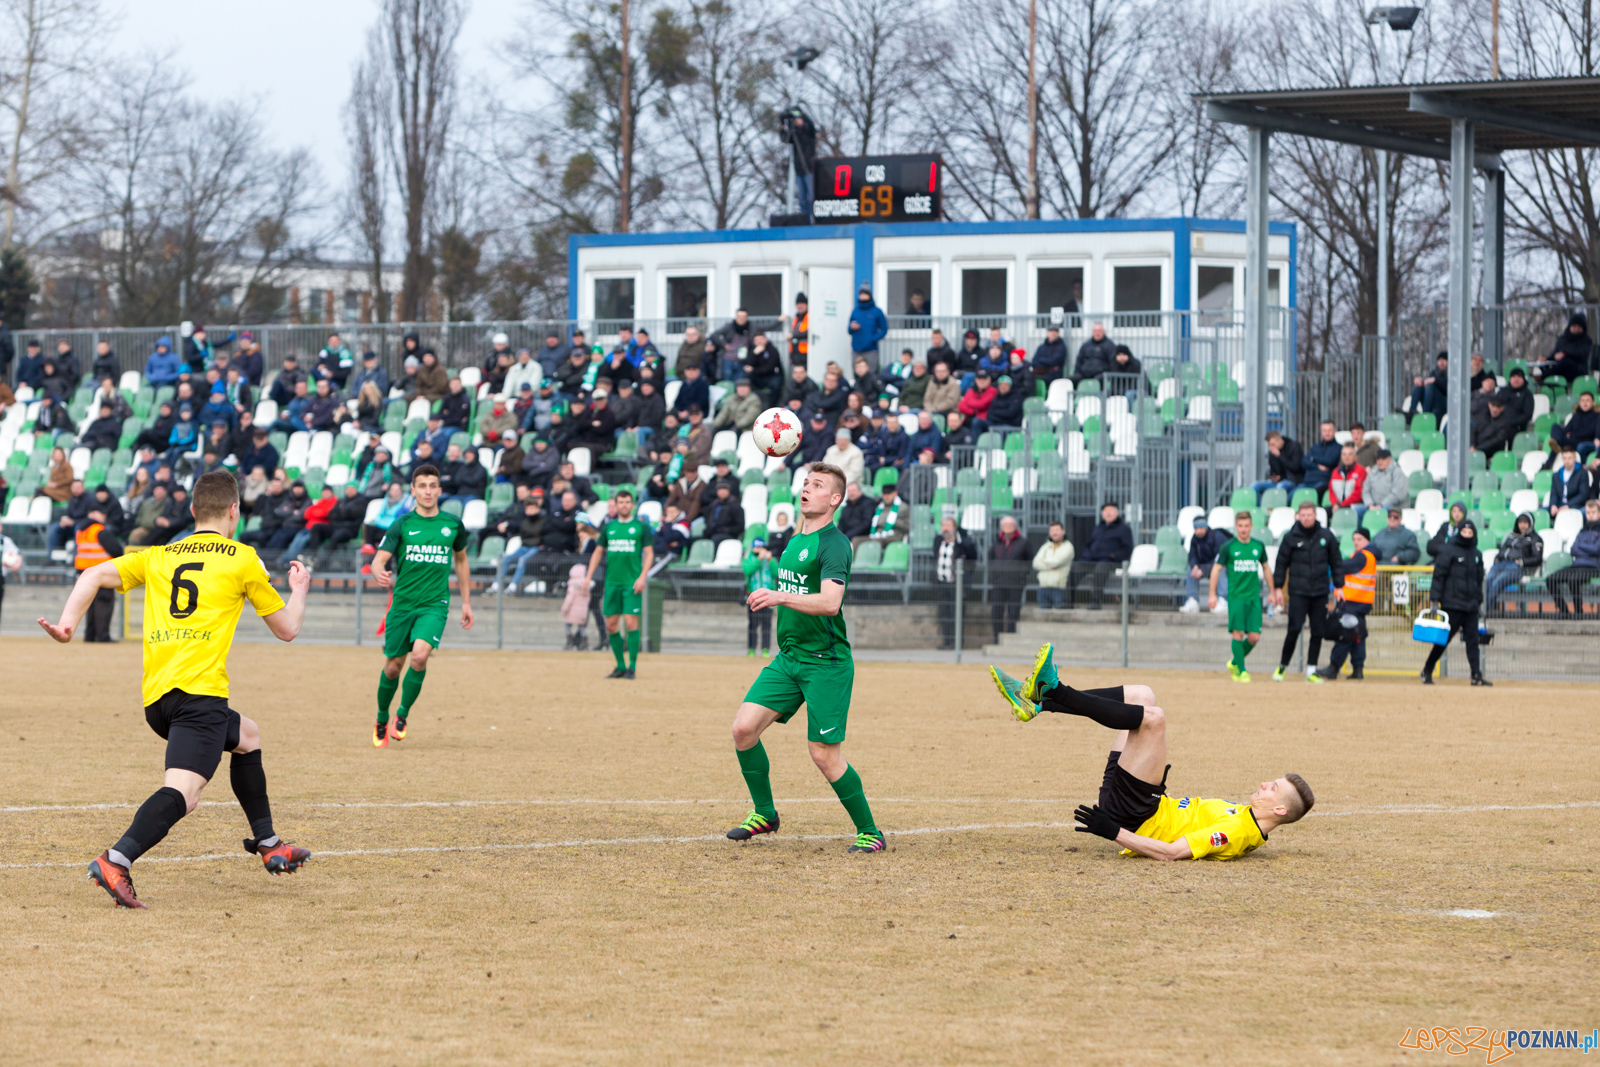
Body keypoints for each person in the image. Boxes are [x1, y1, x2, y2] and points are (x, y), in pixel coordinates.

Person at [37, 471, 312, 908]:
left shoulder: (159, 554)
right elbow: (288, 629)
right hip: (198, 698)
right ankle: (115, 859)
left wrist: (68, 625)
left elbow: (90, 575)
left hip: (158, 698)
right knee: (185, 793)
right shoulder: (242, 558)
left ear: (191, 511)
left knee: (248, 736)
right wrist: (299, 589)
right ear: (234, 511)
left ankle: (269, 843)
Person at [988, 657, 1314, 861]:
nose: (1263, 783)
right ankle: (1040, 702)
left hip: (1136, 815)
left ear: (1280, 809)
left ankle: (1056, 692)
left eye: (1272, 787)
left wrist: (1112, 830)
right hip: (1139, 802)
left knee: (1154, 718)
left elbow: (1171, 853)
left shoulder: (1237, 833)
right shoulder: (1246, 817)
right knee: (1143, 695)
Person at [726, 464, 885, 853]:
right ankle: (765, 814)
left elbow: (831, 603)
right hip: (789, 658)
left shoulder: (835, 543)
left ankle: (871, 832)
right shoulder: (794, 540)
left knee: (824, 755)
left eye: (817, 485)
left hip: (824, 663)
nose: (806, 489)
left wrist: (779, 596)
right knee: (743, 731)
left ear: (834, 499)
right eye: (805, 483)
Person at [369, 465, 473, 746]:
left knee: (419, 657)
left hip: (434, 605)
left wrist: (466, 602)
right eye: (422, 486)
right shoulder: (402, 524)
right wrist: (378, 570)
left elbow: (461, 561)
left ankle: (402, 714)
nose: (428, 491)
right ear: (413, 491)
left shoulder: (453, 524)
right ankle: (382, 716)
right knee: (393, 667)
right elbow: (379, 558)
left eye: (432, 485)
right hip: (402, 605)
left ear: (439, 490)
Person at [1270, 500, 1344, 683]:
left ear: (1315, 515)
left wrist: (1339, 586)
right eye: (1303, 515)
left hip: (1319, 592)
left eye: (1309, 515)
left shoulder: (1327, 536)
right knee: (1294, 629)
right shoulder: (1290, 537)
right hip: (1298, 591)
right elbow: (1281, 564)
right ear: (1298, 516)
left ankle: (1311, 670)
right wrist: (1277, 588)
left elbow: (1336, 562)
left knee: (1317, 632)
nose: (1306, 518)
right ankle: (1282, 666)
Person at [584, 488, 653, 679]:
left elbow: (649, 553)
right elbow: (598, 552)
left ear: (632, 505)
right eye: (620, 502)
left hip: (631, 583)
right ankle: (620, 666)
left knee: (631, 623)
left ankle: (632, 667)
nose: (623, 505)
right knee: (611, 625)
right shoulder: (609, 527)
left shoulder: (641, 527)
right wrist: (588, 576)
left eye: (627, 502)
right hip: (612, 583)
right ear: (615, 505)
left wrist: (642, 577)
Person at [1420, 519, 1490, 684]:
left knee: (1473, 642)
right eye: (1464, 532)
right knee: (1443, 640)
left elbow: (1478, 581)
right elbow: (1439, 576)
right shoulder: (1448, 551)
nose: (1466, 535)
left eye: (1470, 533)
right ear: (1459, 533)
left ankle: (1476, 675)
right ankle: (1427, 669)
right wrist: (1435, 600)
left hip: (1471, 606)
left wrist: (1479, 602)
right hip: (1452, 604)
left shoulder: (1477, 555)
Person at [1210, 510, 1273, 682]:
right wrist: (1212, 594)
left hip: (1253, 597)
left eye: (1246, 526)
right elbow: (1216, 569)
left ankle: (1235, 662)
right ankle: (1242, 671)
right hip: (1236, 597)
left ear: (1251, 526)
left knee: (1254, 637)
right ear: (1236, 526)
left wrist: (1273, 592)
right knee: (1238, 633)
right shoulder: (1228, 547)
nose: (1243, 529)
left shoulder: (1258, 546)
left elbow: (1266, 568)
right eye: (1240, 526)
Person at [1315, 528, 1376, 681]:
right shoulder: (1364, 555)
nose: (1356, 542)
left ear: (1367, 541)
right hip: (1360, 602)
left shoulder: (1363, 556)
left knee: (1344, 634)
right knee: (1357, 636)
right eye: (1354, 539)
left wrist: (1329, 559)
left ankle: (1333, 667)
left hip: (1354, 602)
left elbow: (1341, 566)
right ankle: (1358, 668)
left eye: (1360, 539)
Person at [1070, 502, 1133, 610]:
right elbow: (1089, 545)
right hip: (1093, 559)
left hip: (1111, 561)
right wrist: (1087, 555)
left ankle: (1096, 602)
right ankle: (1067, 601)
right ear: (1102, 513)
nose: (1108, 513)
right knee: (1076, 567)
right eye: (1106, 510)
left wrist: (1113, 556)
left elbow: (1127, 549)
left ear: (1117, 512)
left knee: (1101, 568)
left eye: (1111, 510)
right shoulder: (1098, 528)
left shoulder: (1124, 529)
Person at [1547, 497, 1600, 618]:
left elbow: (1597, 550)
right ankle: (1564, 611)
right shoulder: (1582, 530)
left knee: (1573, 580)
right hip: (1577, 565)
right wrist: (1587, 549)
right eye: (1588, 512)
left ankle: (1578, 613)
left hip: (1593, 567)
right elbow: (1572, 549)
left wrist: (1581, 547)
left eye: (1593, 512)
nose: (1590, 515)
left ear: (1599, 513)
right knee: (1551, 579)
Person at [1485, 511, 1542, 616]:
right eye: (1520, 522)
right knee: (1487, 580)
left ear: (1530, 523)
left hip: (1517, 567)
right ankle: (1479, 609)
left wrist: (1522, 562)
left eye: (1525, 523)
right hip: (1501, 564)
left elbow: (1537, 558)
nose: (1522, 525)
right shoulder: (1511, 536)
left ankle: (1484, 611)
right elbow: (1502, 551)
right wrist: (1497, 559)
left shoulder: (1535, 539)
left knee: (1497, 582)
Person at [989, 515, 1031, 643]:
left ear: (1015, 527)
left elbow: (1029, 560)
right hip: (999, 582)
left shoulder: (1024, 542)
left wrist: (1021, 576)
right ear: (1001, 527)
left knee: (1013, 611)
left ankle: (1010, 638)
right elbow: (990, 558)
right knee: (997, 611)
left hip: (1016, 583)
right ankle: (997, 638)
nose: (1008, 527)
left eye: (1011, 524)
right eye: (1005, 525)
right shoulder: (996, 542)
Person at [1180, 514, 1227, 614]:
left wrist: (1203, 570)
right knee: (1190, 570)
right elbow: (1192, 556)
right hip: (1205, 568)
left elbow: (1220, 559)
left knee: (1221, 568)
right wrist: (1195, 566)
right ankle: (1192, 601)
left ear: (1206, 527)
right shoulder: (1194, 539)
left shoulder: (1217, 536)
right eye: (1196, 528)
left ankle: (1223, 601)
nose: (1199, 531)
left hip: (1220, 567)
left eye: (1201, 528)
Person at [1532, 312, 1592, 384]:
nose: (1576, 329)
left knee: (1566, 362)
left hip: (1577, 371)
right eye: (1574, 326)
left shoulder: (1586, 340)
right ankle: (1541, 377)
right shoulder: (1563, 339)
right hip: (1561, 369)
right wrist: (1547, 358)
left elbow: (1580, 353)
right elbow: (1555, 354)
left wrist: (1565, 354)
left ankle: (1542, 377)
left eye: (1579, 327)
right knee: (1547, 365)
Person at [743, 537, 777, 657]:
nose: (760, 550)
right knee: (753, 624)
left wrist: (771, 560)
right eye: (757, 547)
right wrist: (758, 559)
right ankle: (751, 648)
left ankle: (765, 649)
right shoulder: (749, 558)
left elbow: (776, 572)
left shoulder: (770, 559)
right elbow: (747, 570)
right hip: (753, 596)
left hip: (768, 597)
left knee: (766, 624)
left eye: (761, 547)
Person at [1031, 522, 1074, 609]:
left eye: (1057, 530)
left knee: (1059, 617)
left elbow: (1056, 562)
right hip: (1043, 587)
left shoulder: (1068, 546)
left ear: (1063, 531)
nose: (1054, 533)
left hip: (1059, 588)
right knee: (1043, 618)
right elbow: (1035, 563)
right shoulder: (1045, 546)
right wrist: (1048, 566)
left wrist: (1043, 562)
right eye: (1052, 530)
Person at [1252, 431, 1303, 500]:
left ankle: (1277, 509)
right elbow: (1274, 469)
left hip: (1292, 481)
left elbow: (1295, 467)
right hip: (1277, 481)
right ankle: (1261, 508)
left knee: (1280, 487)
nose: (1271, 447)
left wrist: (1279, 456)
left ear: (1280, 440)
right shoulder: (1273, 452)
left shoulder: (1294, 446)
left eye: (1272, 444)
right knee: (1255, 486)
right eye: (1269, 445)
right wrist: (1274, 476)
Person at [847, 283, 887, 370]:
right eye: (861, 294)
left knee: (871, 374)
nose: (863, 296)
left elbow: (884, 329)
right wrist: (852, 327)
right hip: (856, 349)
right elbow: (849, 330)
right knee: (857, 374)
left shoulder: (877, 311)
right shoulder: (855, 311)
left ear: (869, 295)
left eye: (865, 294)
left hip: (871, 350)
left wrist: (872, 339)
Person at [1551, 390, 1600, 461]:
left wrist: (1572, 434)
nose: (1585, 403)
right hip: (1573, 440)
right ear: (1579, 402)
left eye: (1587, 400)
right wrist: (1569, 434)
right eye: (1582, 400)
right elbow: (1566, 430)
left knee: (1579, 445)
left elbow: (1590, 432)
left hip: (1586, 441)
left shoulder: (1597, 416)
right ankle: (1556, 445)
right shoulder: (1576, 415)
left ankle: (1557, 445)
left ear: (1593, 403)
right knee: (1555, 426)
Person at [1326, 443, 1367, 519]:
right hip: (1337, 505)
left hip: (1354, 505)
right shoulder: (1336, 471)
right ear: (1341, 457)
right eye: (1344, 455)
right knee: (1322, 512)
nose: (1346, 457)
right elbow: (1331, 491)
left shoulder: (1361, 470)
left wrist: (1342, 505)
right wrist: (1335, 504)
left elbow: (1358, 493)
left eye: (1350, 454)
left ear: (1355, 457)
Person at [1300, 421, 1340, 495]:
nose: (1327, 433)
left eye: (1329, 430)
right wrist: (1317, 465)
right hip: (1307, 482)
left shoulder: (1338, 447)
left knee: (1313, 495)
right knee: (1290, 498)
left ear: (1335, 431)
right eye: (1324, 431)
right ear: (1321, 432)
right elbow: (1304, 462)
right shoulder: (1315, 447)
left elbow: (1330, 462)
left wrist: (1313, 459)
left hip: (1323, 482)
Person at [1548, 447, 1590, 517]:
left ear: (1575, 458)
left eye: (1569, 458)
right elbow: (1554, 493)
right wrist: (1553, 505)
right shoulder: (1556, 475)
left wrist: (1568, 505)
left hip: (1575, 505)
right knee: (1543, 511)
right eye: (1564, 458)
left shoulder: (1582, 473)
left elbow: (1583, 495)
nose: (1567, 460)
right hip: (1559, 505)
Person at [1361, 450, 1406, 514]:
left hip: (1393, 506)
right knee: (1357, 511)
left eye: (1383, 459)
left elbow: (1396, 494)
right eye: (1378, 459)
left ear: (1390, 459)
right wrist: (1370, 504)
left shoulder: (1397, 472)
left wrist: (1381, 505)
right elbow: (1365, 490)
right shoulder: (1373, 471)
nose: (1380, 461)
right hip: (1373, 506)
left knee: (1384, 511)